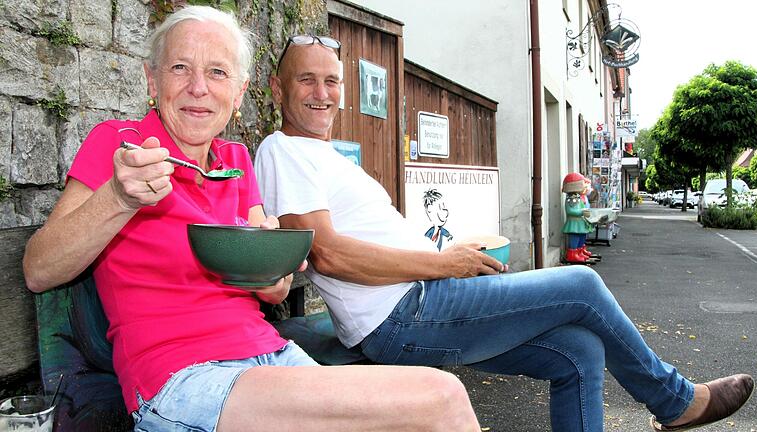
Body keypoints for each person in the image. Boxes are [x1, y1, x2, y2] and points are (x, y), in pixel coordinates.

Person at [254, 36, 755, 432]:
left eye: (332, 81)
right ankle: (677, 402)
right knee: (582, 285)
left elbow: (358, 245)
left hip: (421, 300)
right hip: (401, 317)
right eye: (307, 80)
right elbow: (328, 255)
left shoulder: (323, 154)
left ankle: (673, 403)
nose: (323, 94)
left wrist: (447, 254)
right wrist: (444, 266)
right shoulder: (283, 151)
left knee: (580, 352)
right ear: (278, 90)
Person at [22, 7, 481, 432]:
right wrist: (118, 198)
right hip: (178, 376)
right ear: (152, 79)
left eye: (217, 72)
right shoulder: (119, 146)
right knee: (441, 398)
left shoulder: (237, 161)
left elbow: (275, 291)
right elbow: (39, 270)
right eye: (180, 67)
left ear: (238, 92)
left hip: (269, 356)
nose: (198, 87)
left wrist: (270, 263)